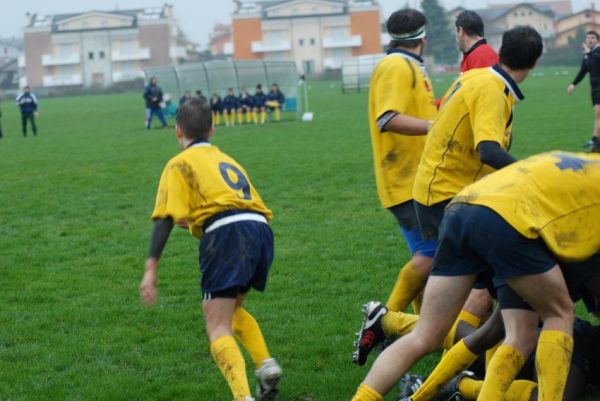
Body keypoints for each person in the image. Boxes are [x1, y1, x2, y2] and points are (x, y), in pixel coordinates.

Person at [349, 26, 544, 401]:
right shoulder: (492, 90)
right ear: (534, 62)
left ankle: (396, 330)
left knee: (478, 302)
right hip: (451, 204)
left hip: (443, 198)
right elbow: (488, 149)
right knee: (505, 295)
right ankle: (468, 380)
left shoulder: (475, 77)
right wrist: (531, 175)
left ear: (501, 49)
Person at [351, 150, 600, 401]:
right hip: (511, 218)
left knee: (432, 335)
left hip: (463, 207)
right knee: (559, 313)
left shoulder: (586, 164)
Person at [139, 99, 282, 401]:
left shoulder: (178, 163)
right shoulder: (224, 158)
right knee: (233, 310)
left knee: (216, 325)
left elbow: (165, 219)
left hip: (227, 234)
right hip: (259, 229)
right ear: (212, 129)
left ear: (178, 131)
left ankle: (242, 397)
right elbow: (223, 204)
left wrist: (150, 270)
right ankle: (265, 364)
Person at [352, 8, 437, 366]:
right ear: (423, 38)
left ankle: (415, 332)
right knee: (432, 256)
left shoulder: (407, 65)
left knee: (429, 260)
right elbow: (387, 118)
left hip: (417, 179)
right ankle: (384, 321)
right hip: (406, 181)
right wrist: (437, 127)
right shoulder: (396, 67)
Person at [567, 31, 600, 149]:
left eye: (592, 38)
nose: (590, 40)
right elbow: (582, 71)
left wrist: (589, 52)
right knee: (597, 115)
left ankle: (595, 140)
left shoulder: (596, 52)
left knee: (598, 112)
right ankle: (595, 141)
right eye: (588, 38)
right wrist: (573, 84)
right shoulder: (587, 55)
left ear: (597, 40)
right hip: (595, 88)